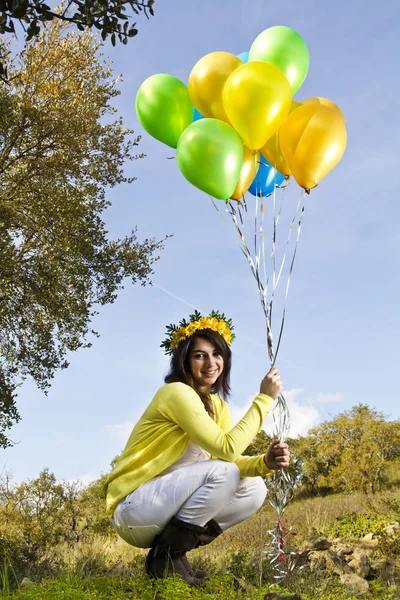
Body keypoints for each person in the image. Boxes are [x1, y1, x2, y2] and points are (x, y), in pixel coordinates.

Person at [105, 310, 290, 587]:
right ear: (184, 360)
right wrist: (264, 399)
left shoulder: (218, 406)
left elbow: (229, 460)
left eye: (217, 354)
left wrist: (264, 462)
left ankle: (171, 556)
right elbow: (226, 453)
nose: (211, 363)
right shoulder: (175, 393)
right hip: (135, 508)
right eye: (199, 355)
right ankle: (164, 559)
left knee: (255, 489)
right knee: (224, 472)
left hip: (166, 505)